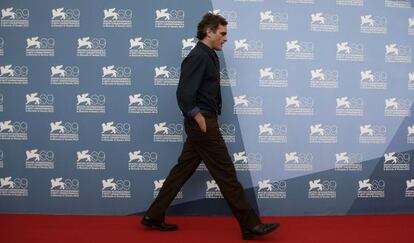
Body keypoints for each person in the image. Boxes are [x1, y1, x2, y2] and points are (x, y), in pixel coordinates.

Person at [141, 13, 280, 240]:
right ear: (210, 32)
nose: (225, 39)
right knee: (226, 173)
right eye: (223, 34)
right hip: (203, 123)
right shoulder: (198, 56)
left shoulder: (209, 55)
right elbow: (184, 94)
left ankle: (153, 215)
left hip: (204, 122)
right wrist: (199, 117)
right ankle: (250, 225)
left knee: (182, 170)